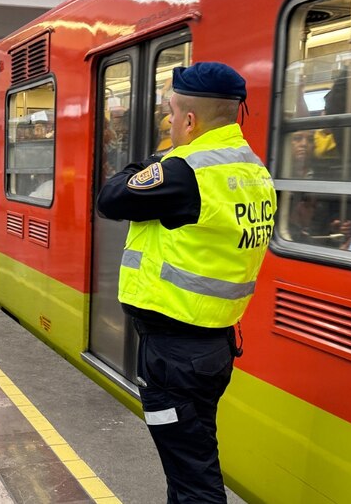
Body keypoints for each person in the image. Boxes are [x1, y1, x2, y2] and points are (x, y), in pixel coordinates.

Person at [97, 62, 276, 503]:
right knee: (191, 461)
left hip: (174, 357)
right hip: (212, 349)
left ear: (189, 120)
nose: (170, 122)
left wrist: (158, 156)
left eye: (171, 115)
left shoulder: (183, 171)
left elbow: (111, 198)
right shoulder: (254, 171)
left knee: (193, 479)